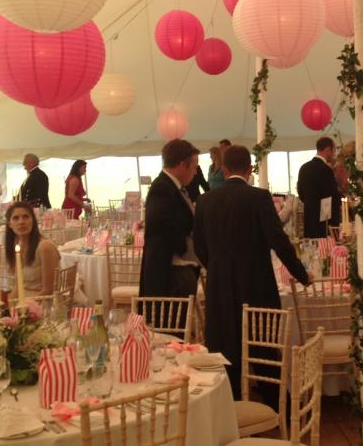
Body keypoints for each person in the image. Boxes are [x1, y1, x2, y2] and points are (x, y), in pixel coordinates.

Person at [193, 145, 311, 401]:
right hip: (256, 284)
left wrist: (217, 267)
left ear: (223, 170)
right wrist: (302, 274)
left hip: (219, 285)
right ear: (250, 170)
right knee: (263, 344)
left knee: (224, 347)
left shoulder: (205, 200)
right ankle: (275, 405)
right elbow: (278, 241)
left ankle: (228, 405)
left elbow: (200, 247)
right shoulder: (259, 197)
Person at [140, 139, 200, 298]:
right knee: (170, 321)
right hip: (169, 272)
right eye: (194, 167)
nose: (195, 172)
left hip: (176, 269)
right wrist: (185, 247)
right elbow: (161, 223)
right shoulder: (162, 187)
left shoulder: (173, 186)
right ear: (182, 165)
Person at [4, 202, 61, 298]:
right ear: (9, 224)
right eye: (16, 218)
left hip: (44, 304)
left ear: (33, 221)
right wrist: (10, 306)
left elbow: (49, 291)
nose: (21, 222)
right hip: (23, 304)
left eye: (26, 217)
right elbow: (18, 286)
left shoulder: (45, 247)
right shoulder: (18, 246)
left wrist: (23, 304)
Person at [296, 137, 341, 238]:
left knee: (312, 250)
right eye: (334, 151)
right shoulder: (325, 169)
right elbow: (332, 196)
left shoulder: (304, 168)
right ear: (328, 150)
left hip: (309, 217)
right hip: (324, 222)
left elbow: (301, 193)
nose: (334, 154)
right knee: (325, 250)